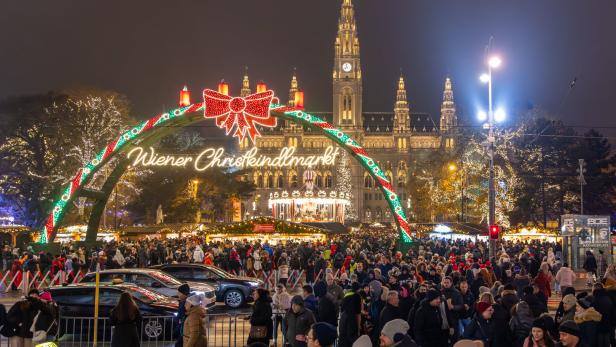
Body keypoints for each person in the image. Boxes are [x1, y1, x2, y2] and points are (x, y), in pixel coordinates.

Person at [338, 282, 362, 347]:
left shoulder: (346, 294)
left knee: (342, 337)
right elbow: (358, 314)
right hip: (351, 319)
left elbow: (341, 308)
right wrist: (358, 328)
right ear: (358, 289)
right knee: (351, 339)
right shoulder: (357, 296)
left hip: (343, 318)